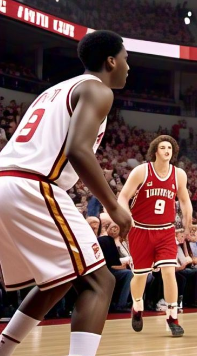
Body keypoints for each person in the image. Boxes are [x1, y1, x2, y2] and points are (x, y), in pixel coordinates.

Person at [0, 30, 133, 356]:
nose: (129, 67)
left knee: (58, 279)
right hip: (33, 184)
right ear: (111, 60)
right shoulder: (98, 90)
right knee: (101, 282)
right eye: (126, 59)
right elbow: (77, 150)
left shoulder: (55, 90)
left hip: (9, 180)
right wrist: (114, 206)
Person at [117, 135, 193, 337]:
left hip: (166, 230)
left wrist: (188, 220)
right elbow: (123, 197)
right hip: (140, 229)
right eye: (163, 147)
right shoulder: (142, 171)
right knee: (141, 275)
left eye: (170, 147)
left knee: (169, 271)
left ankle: (172, 316)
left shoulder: (179, 175)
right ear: (155, 151)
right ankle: (137, 305)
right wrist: (127, 216)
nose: (167, 150)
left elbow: (184, 201)